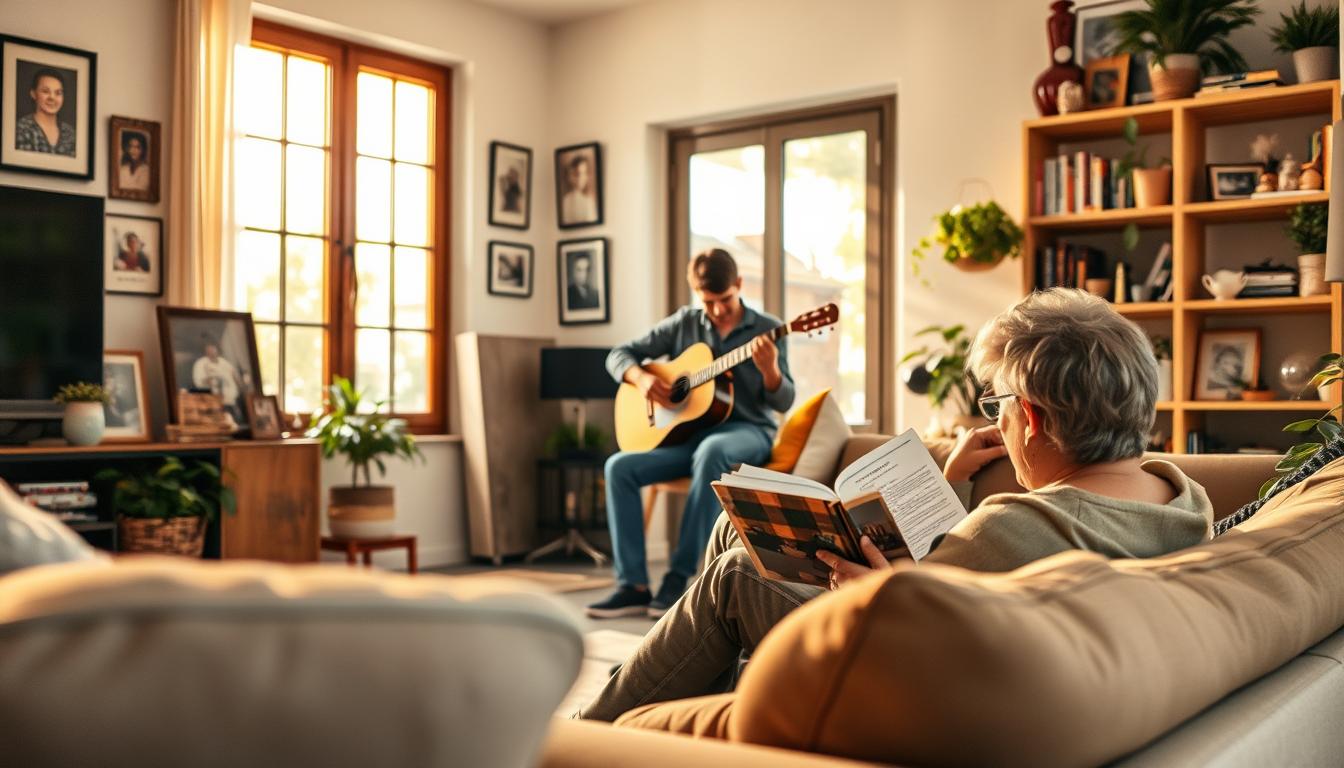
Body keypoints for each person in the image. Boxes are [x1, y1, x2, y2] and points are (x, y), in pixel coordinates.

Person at [578, 288, 1214, 721]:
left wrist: (875, 590)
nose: (999, 421)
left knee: (737, 571)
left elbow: (911, 616)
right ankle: (705, 717)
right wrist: (955, 482)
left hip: (908, 680)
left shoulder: (1016, 526)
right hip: (1006, 653)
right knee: (731, 530)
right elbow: (961, 571)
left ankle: (588, 732)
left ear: (1033, 417)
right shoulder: (1184, 498)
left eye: (1000, 408)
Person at [586, 248, 796, 620]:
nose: (717, 311)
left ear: (739, 285)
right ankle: (632, 585)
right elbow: (619, 354)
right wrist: (642, 377)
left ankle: (679, 577)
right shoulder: (685, 323)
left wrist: (771, 372)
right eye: (708, 302)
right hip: (689, 440)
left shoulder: (768, 328)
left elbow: (784, 401)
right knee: (619, 466)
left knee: (713, 450)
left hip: (749, 432)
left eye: (725, 300)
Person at [15, 68, 75, 156]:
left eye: (58, 93)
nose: (52, 97)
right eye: (45, 91)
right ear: (33, 94)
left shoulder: (71, 134)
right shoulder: (21, 129)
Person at [191, 338, 245, 422]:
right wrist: (210, 380)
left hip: (232, 401)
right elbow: (198, 382)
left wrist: (240, 384)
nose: (211, 350)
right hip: (215, 403)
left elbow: (234, 374)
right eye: (208, 348)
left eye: (213, 348)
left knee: (238, 422)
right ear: (205, 350)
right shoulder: (200, 364)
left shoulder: (224, 362)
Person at [561, 153, 597, 224]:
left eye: (584, 173)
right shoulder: (566, 201)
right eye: (577, 174)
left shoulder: (589, 201)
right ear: (570, 176)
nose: (582, 178)